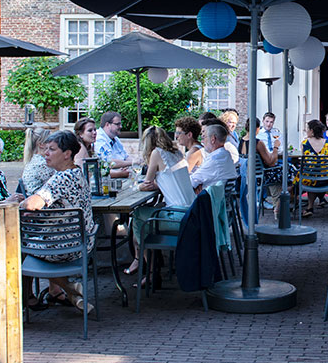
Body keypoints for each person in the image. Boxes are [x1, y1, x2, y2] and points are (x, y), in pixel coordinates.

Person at [18, 130, 95, 313]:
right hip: (82, 241)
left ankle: (25, 303)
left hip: (65, 246)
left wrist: (18, 202)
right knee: (34, 243)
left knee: (16, 249)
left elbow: (32, 203)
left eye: (52, 149)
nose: (46, 153)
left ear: (67, 154)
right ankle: (66, 290)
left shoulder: (62, 178)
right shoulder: (76, 174)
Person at [129, 125, 186, 275]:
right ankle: (148, 258)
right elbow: (169, 180)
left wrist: (136, 187)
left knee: (138, 215)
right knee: (149, 213)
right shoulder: (177, 153)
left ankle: (150, 267)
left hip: (178, 217)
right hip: (190, 212)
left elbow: (146, 184)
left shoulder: (157, 153)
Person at [298, 119, 328, 217]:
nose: (306, 131)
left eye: (307, 129)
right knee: (317, 174)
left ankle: (309, 207)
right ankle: (324, 201)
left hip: (308, 178)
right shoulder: (327, 143)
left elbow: (302, 159)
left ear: (312, 131)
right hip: (325, 178)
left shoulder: (305, 143)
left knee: (308, 174)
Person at [190, 123, 237, 190]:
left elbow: (192, 182)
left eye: (204, 137)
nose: (202, 141)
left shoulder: (215, 159)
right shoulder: (226, 155)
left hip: (210, 198)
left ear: (213, 139)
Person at [94, 110, 132, 178]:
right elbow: (108, 162)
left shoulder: (115, 138)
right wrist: (133, 163)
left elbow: (126, 157)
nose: (121, 126)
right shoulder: (99, 139)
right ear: (107, 125)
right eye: (117, 124)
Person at [21, 125, 54, 195]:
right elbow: (58, 183)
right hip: (40, 202)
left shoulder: (33, 160)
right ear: (41, 144)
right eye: (50, 141)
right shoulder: (42, 164)